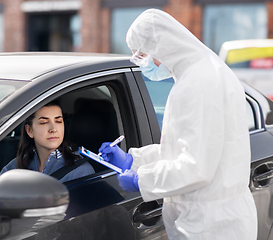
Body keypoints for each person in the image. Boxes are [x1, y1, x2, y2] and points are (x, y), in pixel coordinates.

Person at [99, 9, 257, 240]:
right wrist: (135, 159)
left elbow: (196, 168)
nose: (143, 65)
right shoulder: (199, 74)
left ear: (161, 45)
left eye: (142, 56)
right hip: (209, 219)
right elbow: (184, 149)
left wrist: (141, 178)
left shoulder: (200, 83)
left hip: (212, 226)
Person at [1, 100, 95, 182]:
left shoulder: (80, 171)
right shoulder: (14, 169)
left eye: (58, 121)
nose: (53, 129)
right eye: (44, 123)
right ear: (29, 130)